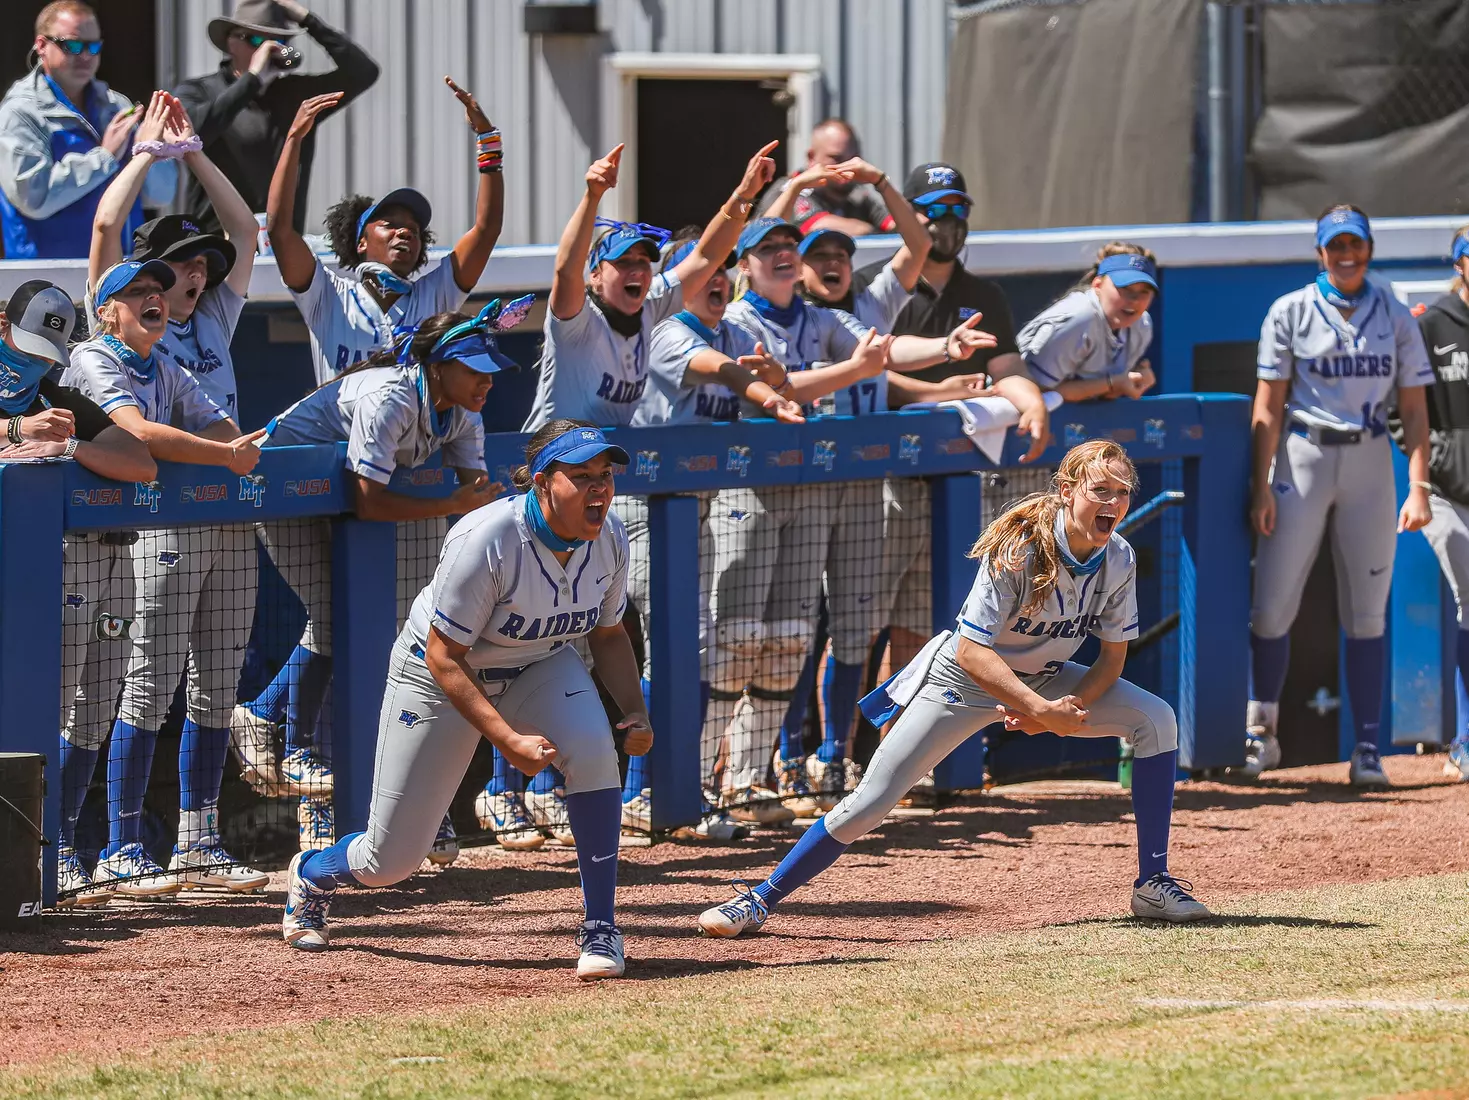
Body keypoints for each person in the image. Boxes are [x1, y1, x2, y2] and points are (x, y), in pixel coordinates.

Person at [698, 440, 1212, 937]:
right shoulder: (1021, 546)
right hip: (961, 682)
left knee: (1158, 719)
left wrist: (1057, 710)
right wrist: (1036, 708)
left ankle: (1153, 882)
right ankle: (759, 897)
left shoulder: (1118, 555)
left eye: (1123, 492)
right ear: (1067, 488)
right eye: (1101, 490)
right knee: (871, 802)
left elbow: (1111, 657)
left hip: (1046, 678)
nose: (1115, 503)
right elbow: (972, 651)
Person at [281, 420, 651, 983]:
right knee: (391, 863)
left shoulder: (610, 537)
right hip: (439, 677)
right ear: (543, 483)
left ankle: (601, 926)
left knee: (596, 749)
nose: (599, 488)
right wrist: (508, 739)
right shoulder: (488, 537)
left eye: (606, 476)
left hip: (538, 661)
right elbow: (444, 656)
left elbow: (606, 633)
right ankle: (312, 873)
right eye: (581, 476)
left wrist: (635, 708)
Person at [246, 80, 503, 852]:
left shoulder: (433, 296)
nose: (403, 234)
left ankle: (356, 792)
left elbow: (486, 232)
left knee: (388, 633)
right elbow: (280, 229)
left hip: (396, 476)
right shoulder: (332, 292)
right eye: (386, 224)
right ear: (360, 239)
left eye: (413, 227)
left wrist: (488, 144)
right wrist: (292, 140)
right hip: (321, 474)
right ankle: (288, 744)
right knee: (342, 624)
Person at [496, 139, 775, 843]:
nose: (637, 272)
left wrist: (744, 196)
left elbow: (707, 257)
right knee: (516, 643)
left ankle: (614, 790)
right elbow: (562, 269)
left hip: (599, 494)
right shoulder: (579, 319)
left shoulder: (651, 311)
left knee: (597, 643)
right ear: (598, 275)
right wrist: (591, 196)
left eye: (643, 262)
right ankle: (507, 792)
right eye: (621, 262)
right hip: (541, 492)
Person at [704, 216, 1003, 824]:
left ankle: (754, 778)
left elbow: (880, 351)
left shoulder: (821, 319)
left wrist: (944, 350)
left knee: (788, 637)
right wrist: (862, 372)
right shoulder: (733, 322)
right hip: (745, 489)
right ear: (744, 263)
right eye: (772, 249)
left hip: (815, 486)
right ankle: (707, 779)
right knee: (734, 642)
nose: (787, 256)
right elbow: (784, 385)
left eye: (792, 247)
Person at [252, 309, 506, 857]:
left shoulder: (462, 410)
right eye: (473, 369)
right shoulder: (390, 395)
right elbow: (370, 504)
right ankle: (278, 731)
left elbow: (475, 490)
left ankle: (272, 722)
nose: (487, 381)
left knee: (370, 629)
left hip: (336, 496)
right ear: (436, 368)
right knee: (333, 616)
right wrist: (453, 504)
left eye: (491, 370)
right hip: (283, 486)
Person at [59, 259, 267, 896]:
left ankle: (193, 842)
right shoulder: (94, 360)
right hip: (81, 548)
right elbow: (140, 436)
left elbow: (213, 423)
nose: (155, 298)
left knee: (167, 690)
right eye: (137, 293)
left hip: (124, 549)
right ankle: (74, 847)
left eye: (158, 289)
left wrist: (241, 449)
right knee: (85, 701)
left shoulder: (167, 363)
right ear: (107, 310)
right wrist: (227, 457)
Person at [606, 232, 805, 840]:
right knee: (670, 643)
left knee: (688, 646)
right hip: (641, 505)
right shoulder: (667, 328)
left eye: (724, 271)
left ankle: (670, 789)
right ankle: (644, 792)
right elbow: (711, 369)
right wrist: (762, 387)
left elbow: (775, 391)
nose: (717, 280)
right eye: (706, 270)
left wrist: (781, 384)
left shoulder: (737, 334)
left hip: (695, 508)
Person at [857, 163, 1049, 754]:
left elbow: (1007, 370)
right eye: (936, 210)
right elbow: (867, 378)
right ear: (909, 216)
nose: (950, 222)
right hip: (877, 475)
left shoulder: (982, 294)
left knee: (922, 618)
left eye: (959, 209)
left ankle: (903, 752)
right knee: (857, 623)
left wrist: (1032, 405)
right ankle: (835, 753)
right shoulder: (875, 284)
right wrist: (937, 392)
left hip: (948, 483)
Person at [1243, 206, 1433, 786]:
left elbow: (1417, 407)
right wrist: (1260, 485)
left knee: (1368, 611)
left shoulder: (1394, 313)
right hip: (1303, 453)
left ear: (1369, 249)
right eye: (1336, 245)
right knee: (1273, 602)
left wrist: (1418, 482)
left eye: (1356, 243)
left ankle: (1368, 747)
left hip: (1372, 455)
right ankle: (1261, 732)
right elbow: (1267, 406)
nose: (1346, 254)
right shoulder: (1292, 309)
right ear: (1320, 250)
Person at [0, 279, 155, 907]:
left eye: (47, 353)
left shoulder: (55, 394)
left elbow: (139, 463)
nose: (36, 362)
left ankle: (38, 861)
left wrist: (67, 443)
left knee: (53, 710)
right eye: (28, 347)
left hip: (44, 578)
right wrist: (16, 427)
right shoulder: (27, 405)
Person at [173, 0, 380, 235]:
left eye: (281, 42)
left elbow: (364, 72)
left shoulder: (294, 96)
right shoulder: (199, 91)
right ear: (232, 43)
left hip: (280, 242)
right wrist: (252, 81)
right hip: (215, 242)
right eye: (257, 41)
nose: (268, 51)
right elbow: (191, 134)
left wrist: (307, 20)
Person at [0, 1, 177, 259]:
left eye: (93, 47)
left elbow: (161, 196)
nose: (85, 56)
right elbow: (34, 197)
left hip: (119, 275)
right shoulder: (19, 112)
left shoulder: (117, 105)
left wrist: (154, 152)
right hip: (47, 278)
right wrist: (104, 157)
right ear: (41, 46)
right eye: (72, 46)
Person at [1413, 225, 1469, 783]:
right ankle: (1466, 739)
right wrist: (1426, 474)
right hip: (1450, 492)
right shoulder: (1432, 325)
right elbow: (1397, 409)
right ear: (1459, 263)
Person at [1016, 243, 1160, 403]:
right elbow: (1034, 393)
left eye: (1144, 292)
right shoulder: (1077, 320)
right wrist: (1113, 383)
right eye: (1125, 288)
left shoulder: (1142, 324)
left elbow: (1106, 394)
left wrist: (1135, 377)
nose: (1134, 300)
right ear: (1098, 285)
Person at [755, 119, 895, 237]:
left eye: (853, 159)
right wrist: (876, 234)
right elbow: (819, 226)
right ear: (811, 157)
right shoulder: (792, 188)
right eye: (836, 158)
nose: (847, 166)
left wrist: (881, 182)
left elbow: (894, 224)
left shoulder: (855, 194)